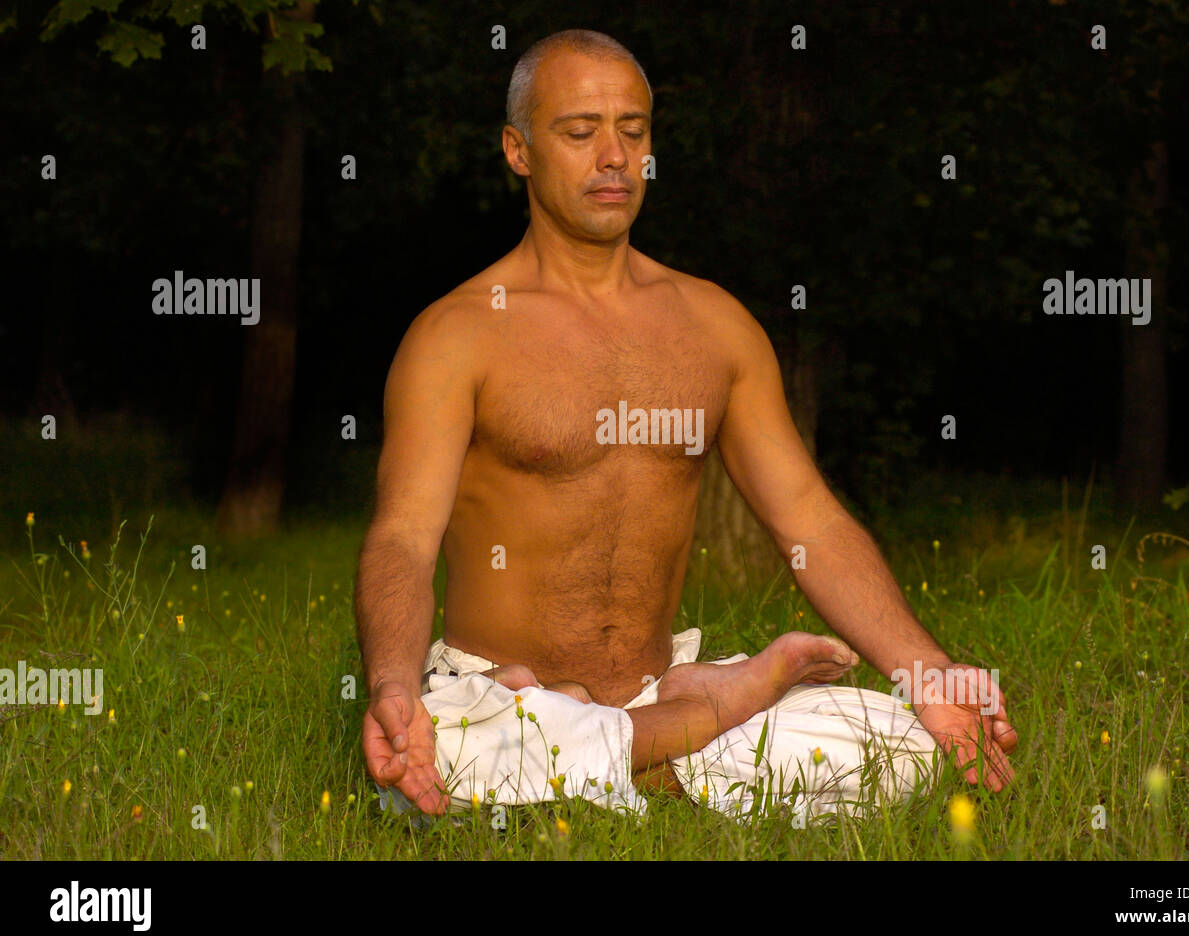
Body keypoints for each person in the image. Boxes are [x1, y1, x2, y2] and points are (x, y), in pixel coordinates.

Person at [354, 29, 1017, 820]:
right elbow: (401, 537)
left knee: (905, 744)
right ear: (518, 149)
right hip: (502, 695)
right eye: (580, 131)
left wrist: (931, 674)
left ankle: (640, 738)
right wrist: (395, 686)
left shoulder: (713, 324)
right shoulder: (455, 335)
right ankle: (702, 722)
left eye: (633, 132)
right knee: (447, 750)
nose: (614, 156)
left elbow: (809, 517)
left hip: (635, 681)